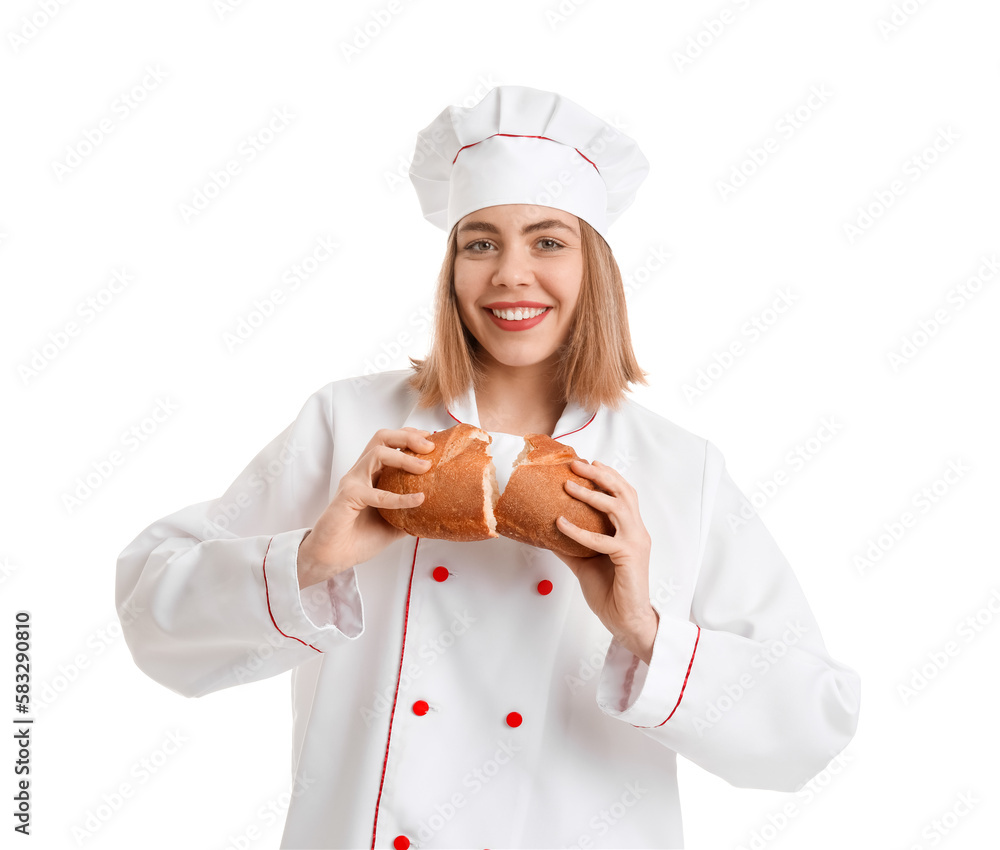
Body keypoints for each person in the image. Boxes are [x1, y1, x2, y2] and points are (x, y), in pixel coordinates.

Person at [117, 85, 860, 850]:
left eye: (547, 241)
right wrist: (311, 558)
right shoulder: (351, 426)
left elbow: (815, 724)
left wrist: (642, 628)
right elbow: (150, 611)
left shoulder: (677, 469)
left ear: (594, 269)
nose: (510, 274)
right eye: (480, 243)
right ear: (452, 270)